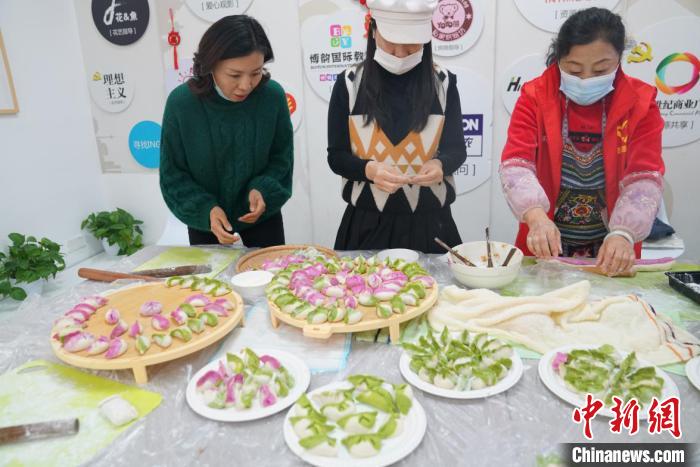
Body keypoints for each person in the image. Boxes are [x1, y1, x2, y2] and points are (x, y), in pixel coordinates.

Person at [500, 7, 664, 275]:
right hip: (546, 240)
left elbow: (643, 175)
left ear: (619, 60)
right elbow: (516, 164)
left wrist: (624, 232)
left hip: (612, 247)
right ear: (559, 58)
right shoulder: (535, 96)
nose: (586, 79)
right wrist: (536, 217)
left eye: (601, 69)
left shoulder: (641, 103)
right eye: (574, 70)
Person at [327, 0, 467, 253]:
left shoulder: (442, 83)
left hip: (431, 224)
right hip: (366, 225)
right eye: (391, 44)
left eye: (411, 45)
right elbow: (336, 157)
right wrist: (369, 170)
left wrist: (440, 165)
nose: (401, 53)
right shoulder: (350, 84)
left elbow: (456, 150)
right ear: (372, 30)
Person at [159, 15, 293, 247]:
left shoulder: (272, 97)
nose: (246, 85)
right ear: (210, 65)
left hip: (263, 221)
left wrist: (262, 190)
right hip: (206, 224)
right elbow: (173, 175)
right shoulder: (182, 104)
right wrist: (206, 209)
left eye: (256, 72)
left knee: (272, 281)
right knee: (211, 283)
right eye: (234, 75)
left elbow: (281, 160)